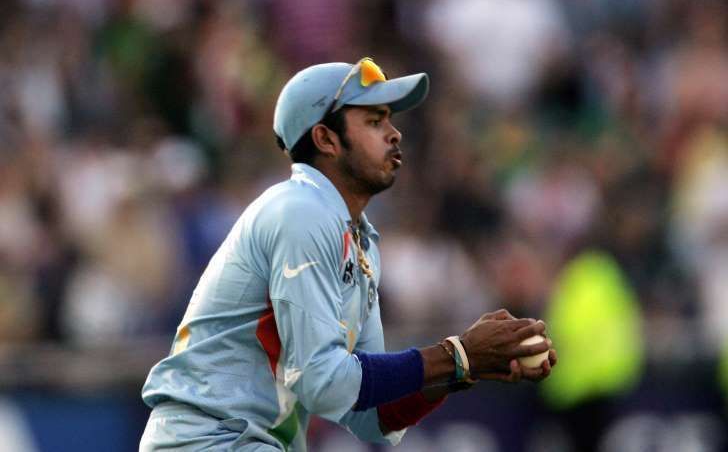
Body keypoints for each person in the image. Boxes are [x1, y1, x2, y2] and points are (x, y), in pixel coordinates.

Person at [139, 57, 557, 451]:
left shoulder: (357, 240)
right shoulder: (299, 211)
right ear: (325, 138)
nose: (394, 133)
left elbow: (371, 414)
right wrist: (458, 353)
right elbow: (324, 381)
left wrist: (464, 370)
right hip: (209, 440)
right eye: (374, 121)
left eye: (389, 120)